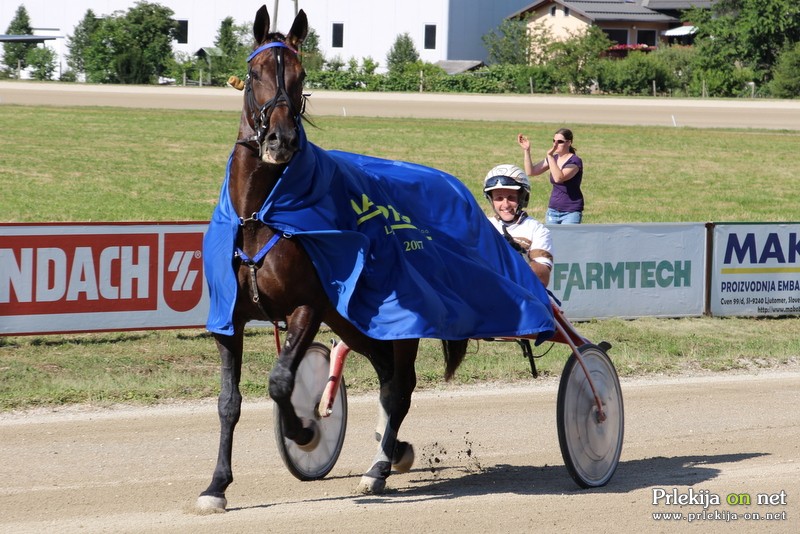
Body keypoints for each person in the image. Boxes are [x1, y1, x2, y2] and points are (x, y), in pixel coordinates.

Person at [483, 164, 554, 287]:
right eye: (499, 198)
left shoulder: (537, 230)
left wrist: (520, 256)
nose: (505, 204)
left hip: (524, 298)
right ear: (491, 200)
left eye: (511, 198)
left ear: (523, 198)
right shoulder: (483, 226)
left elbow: (543, 279)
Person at [517, 128, 584, 224]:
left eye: (560, 142)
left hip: (571, 211)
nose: (555, 144)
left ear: (569, 143)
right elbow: (530, 172)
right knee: (552, 238)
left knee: (568, 238)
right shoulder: (553, 159)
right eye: (554, 141)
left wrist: (550, 156)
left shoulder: (575, 161)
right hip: (553, 210)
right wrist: (527, 150)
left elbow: (558, 178)